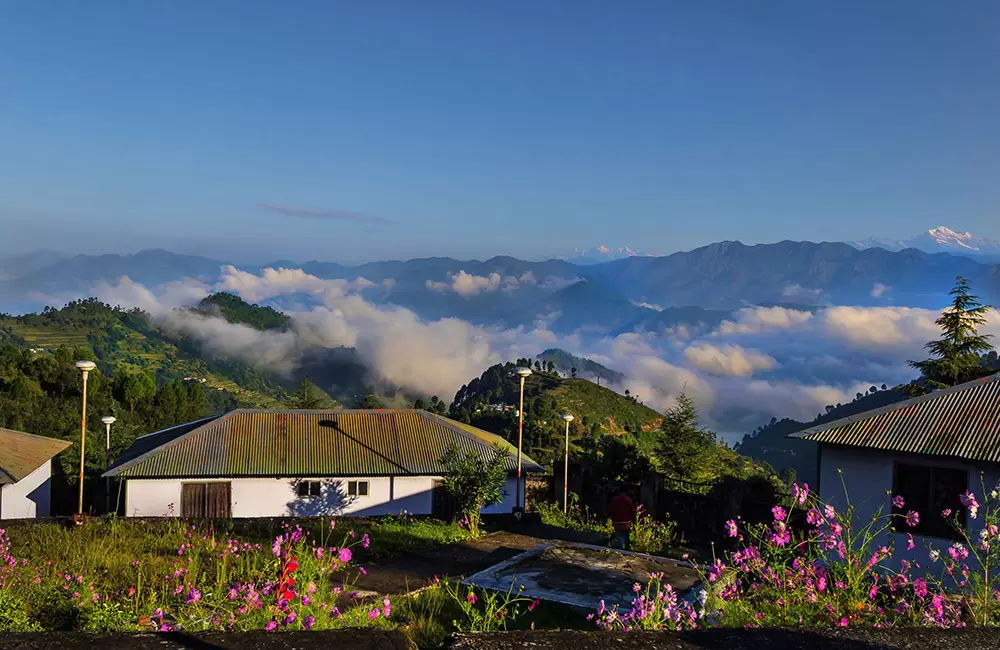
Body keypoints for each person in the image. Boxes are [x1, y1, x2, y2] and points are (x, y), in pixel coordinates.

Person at [609, 486, 636, 551]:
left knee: (619, 535)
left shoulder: (614, 500)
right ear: (625, 492)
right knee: (626, 535)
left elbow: (611, 510)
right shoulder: (628, 499)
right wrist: (634, 519)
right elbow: (632, 510)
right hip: (626, 521)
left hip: (616, 521)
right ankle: (627, 547)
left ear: (619, 492)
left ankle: (620, 548)